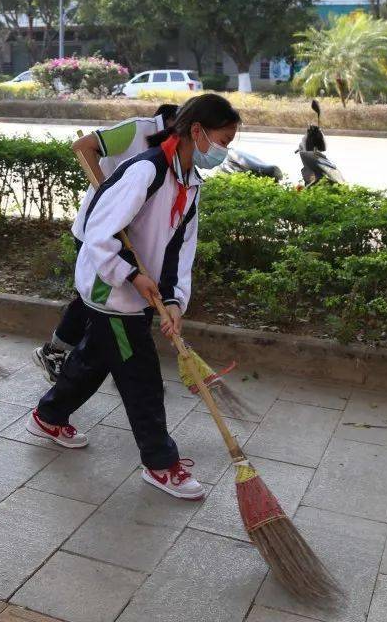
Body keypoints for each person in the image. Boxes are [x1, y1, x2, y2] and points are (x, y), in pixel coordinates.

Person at [26, 94, 241, 499]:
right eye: (224, 140)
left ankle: (49, 415)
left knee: (96, 357)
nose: (225, 150)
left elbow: (180, 248)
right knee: (139, 374)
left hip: (140, 292)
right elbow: (99, 232)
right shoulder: (146, 170)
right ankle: (161, 464)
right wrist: (130, 274)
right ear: (198, 131)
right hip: (111, 290)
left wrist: (175, 300)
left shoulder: (190, 182)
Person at [33, 104, 179, 382]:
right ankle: (55, 352)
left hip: (135, 235)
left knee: (134, 297)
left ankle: (124, 362)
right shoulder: (138, 129)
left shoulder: (180, 151)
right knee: (98, 296)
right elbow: (82, 146)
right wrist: (110, 197)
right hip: (101, 232)